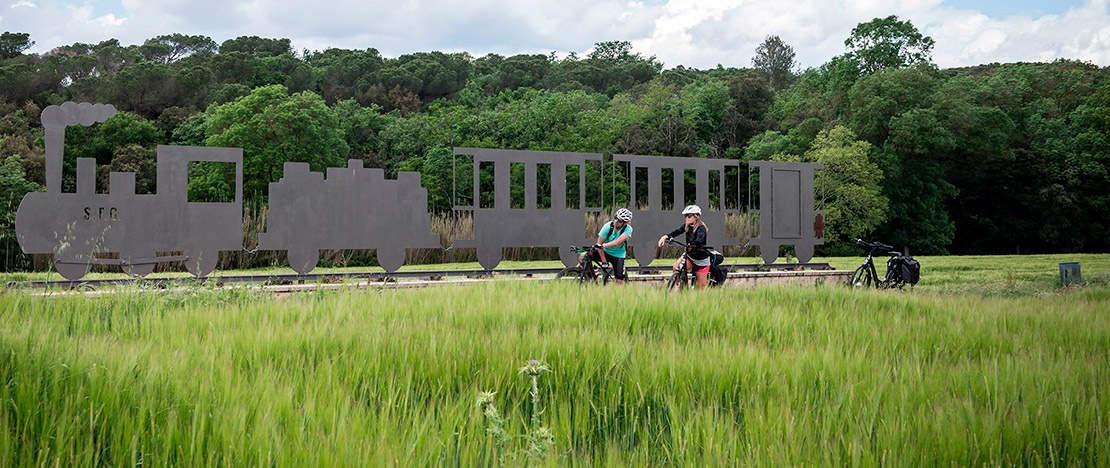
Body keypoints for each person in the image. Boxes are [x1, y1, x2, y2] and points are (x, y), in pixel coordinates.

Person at [657, 205, 710, 290]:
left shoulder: (701, 228)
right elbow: (676, 232)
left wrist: (691, 245)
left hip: (701, 259)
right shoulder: (687, 226)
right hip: (689, 256)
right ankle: (678, 287)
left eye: (689, 216)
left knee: (701, 288)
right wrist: (665, 237)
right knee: (676, 267)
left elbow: (700, 239)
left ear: (696, 216)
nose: (686, 218)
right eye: (685, 216)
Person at [583, 208, 634, 285]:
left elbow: (617, 242)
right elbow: (598, 245)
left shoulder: (628, 229)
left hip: (618, 256)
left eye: (619, 220)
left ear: (625, 223)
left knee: (619, 281)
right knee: (583, 256)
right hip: (604, 252)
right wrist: (604, 261)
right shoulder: (607, 227)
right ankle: (592, 275)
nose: (616, 221)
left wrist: (603, 246)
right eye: (615, 218)